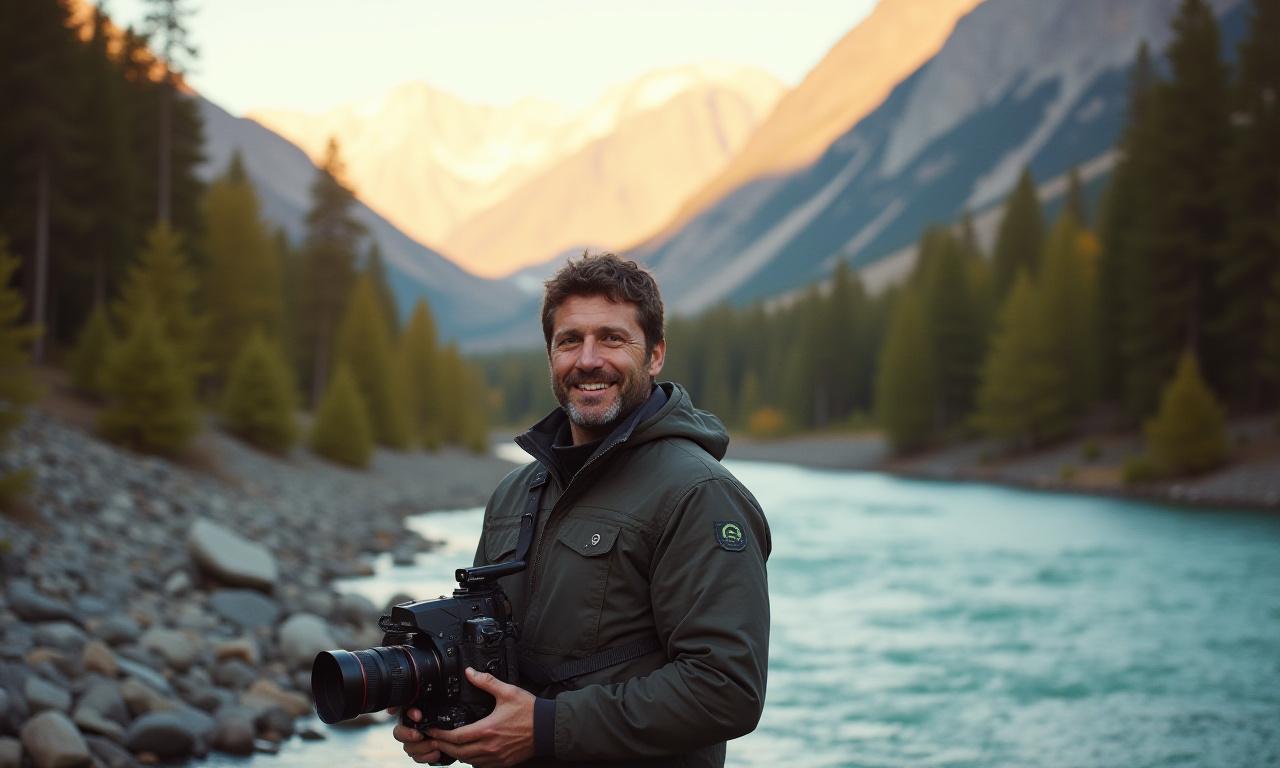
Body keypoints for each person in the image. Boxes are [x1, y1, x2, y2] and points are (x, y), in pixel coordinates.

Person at [394, 253, 771, 767]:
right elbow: (493, 654)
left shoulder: (699, 493)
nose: (588, 360)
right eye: (569, 340)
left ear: (655, 354)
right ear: (551, 355)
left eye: (612, 338)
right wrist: (448, 721)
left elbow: (726, 689)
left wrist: (545, 728)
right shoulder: (514, 492)